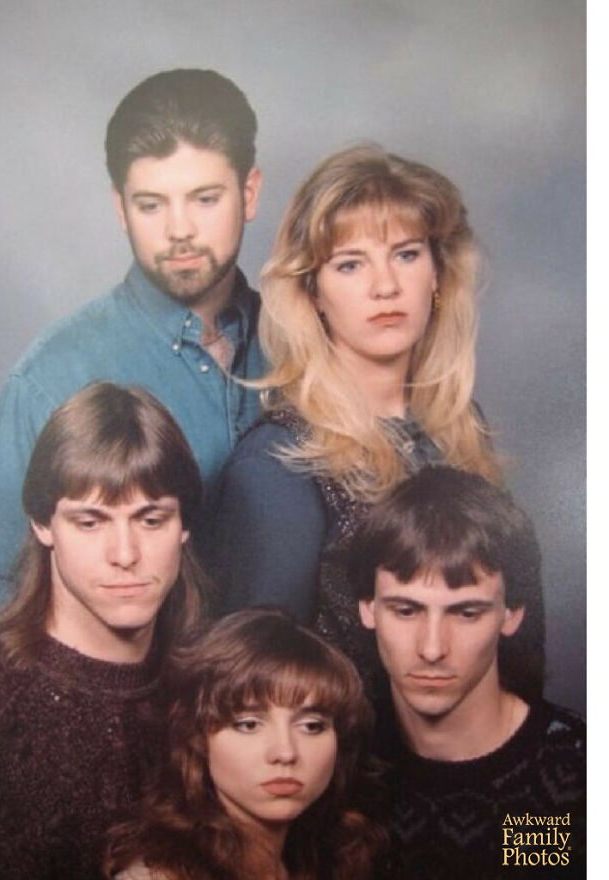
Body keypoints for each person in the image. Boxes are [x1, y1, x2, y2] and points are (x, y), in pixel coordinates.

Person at [0, 68, 264, 634]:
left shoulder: (310, 346)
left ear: (249, 193)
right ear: (120, 208)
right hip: (132, 709)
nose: (179, 230)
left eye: (204, 198)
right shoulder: (52, 376)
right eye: (151, 205)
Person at [207, 143, 501, 697]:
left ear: (438, 275)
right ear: (312, 292)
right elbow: (253, 699)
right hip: (350, 775)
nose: (385, 286)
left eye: (407, 254)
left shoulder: (463, 429)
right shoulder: (278, 465)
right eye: (350, 264)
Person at [0, 382, 210, 880]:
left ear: (184, 525)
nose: (124, 554)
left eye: (151, 519)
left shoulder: (212, 693)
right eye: (90, 522)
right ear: (43, 525)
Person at [348, 465, 585, 879]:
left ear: (511, 615)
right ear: (367, 608)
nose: (432, 648)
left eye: (466, 612)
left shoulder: (574, 774)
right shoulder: (338, 768)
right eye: (406, 610)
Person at [105, 607, 387, 880]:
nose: (285, 753)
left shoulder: (334, 862)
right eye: (249, 724)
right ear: (197, 737)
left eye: (311, 726)